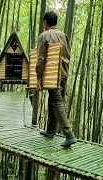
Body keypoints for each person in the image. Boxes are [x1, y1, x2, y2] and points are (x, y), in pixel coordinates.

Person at [36, 11, 76, 147]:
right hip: (63, 74)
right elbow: (68, 56)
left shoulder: (44, 36)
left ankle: (69, 134)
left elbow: (41, 59)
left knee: (57, 101)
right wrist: (64, 76)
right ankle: (51, 130)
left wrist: (38, 77)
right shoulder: (64, 35)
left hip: (51, 75)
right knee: (53, 100)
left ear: (45, 23)